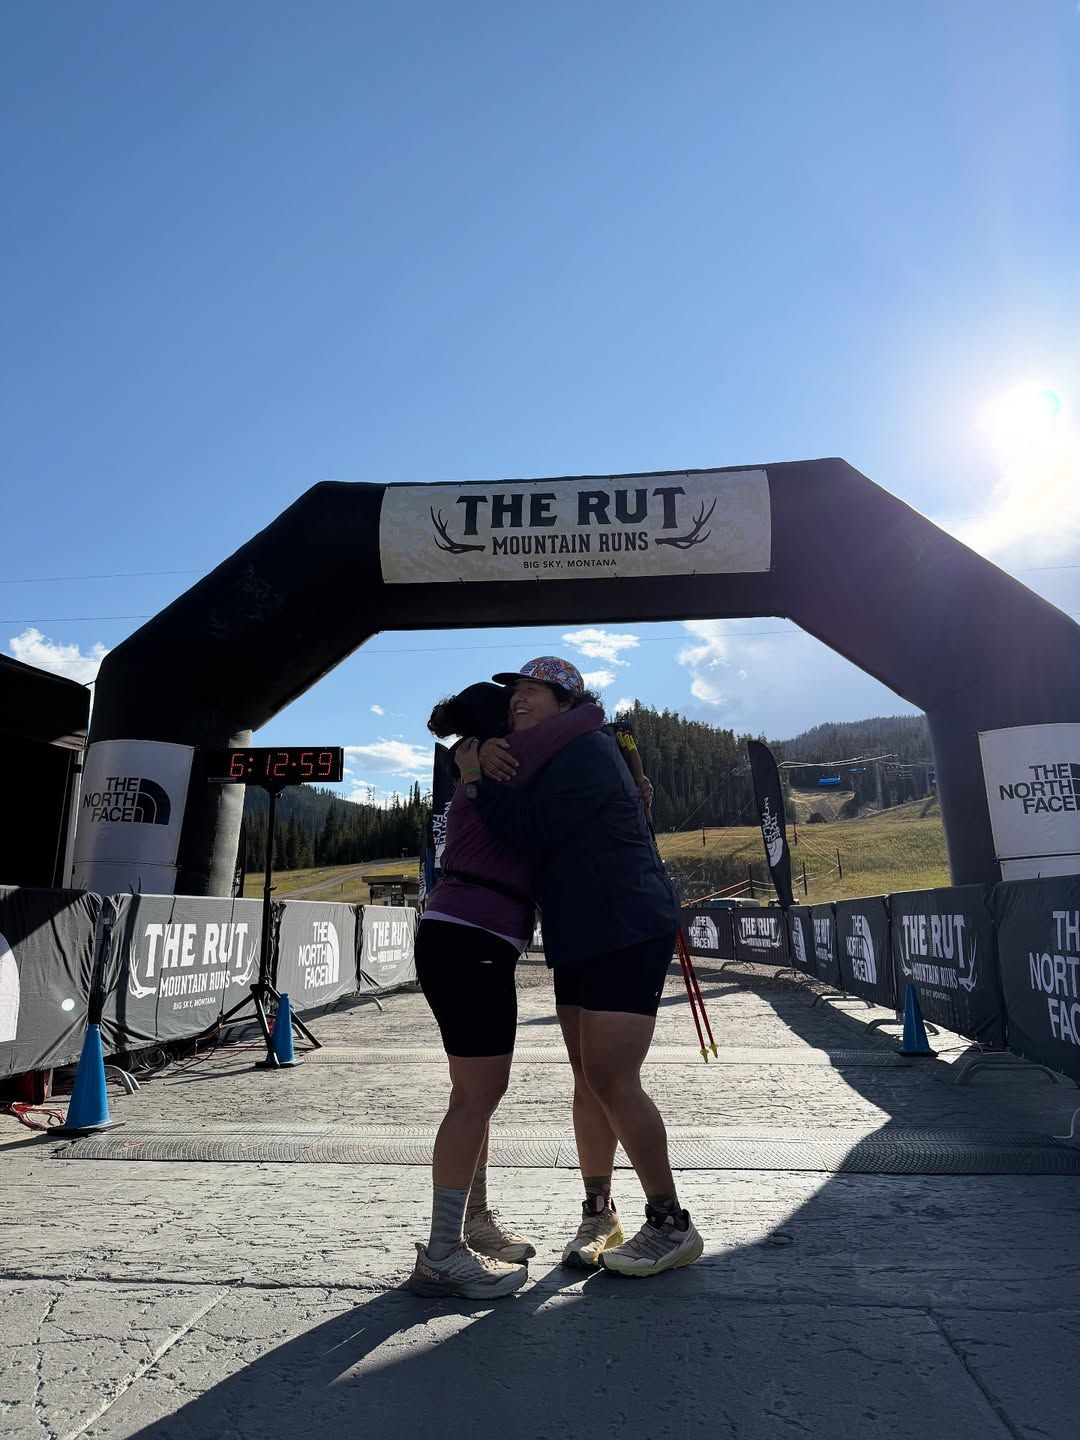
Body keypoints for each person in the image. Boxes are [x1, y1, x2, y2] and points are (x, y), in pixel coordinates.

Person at [459, 657, 704, 1278]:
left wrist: (477, 779)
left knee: (612, 1076)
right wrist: (480, 751)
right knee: (590, 1079)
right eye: (513, 692)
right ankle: (599, 1214)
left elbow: (527, 830)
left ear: (567, 700)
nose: (517, 699)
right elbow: (461, 737)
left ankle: (671, 1224)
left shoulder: (587, 750)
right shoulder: (546, 752)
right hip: (577, 931)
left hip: (624, 925)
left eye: (532, 691)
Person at [409, 681, 604, 1299]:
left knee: (474, 1094)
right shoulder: (500, 763)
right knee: (475, 1098)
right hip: (472, 938)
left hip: (460, 936)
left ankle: (471, 1223)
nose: (524, 714)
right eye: (514, 708)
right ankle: (443, 1252)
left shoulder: (483, 760)